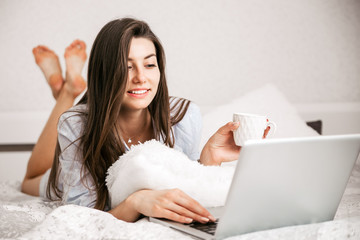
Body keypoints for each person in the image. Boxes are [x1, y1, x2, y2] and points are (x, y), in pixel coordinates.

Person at [21, 18, 269, 224]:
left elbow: (186, 184)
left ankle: (67, 88)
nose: (141, 77)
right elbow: (81, 218)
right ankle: (66, 93)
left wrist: (209, 160)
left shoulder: (183, 117)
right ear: (106, 73)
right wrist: (135, 202)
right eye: (127, 67)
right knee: (29, 180)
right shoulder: (76, 124)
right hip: (64, 175)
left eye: (150, 64)